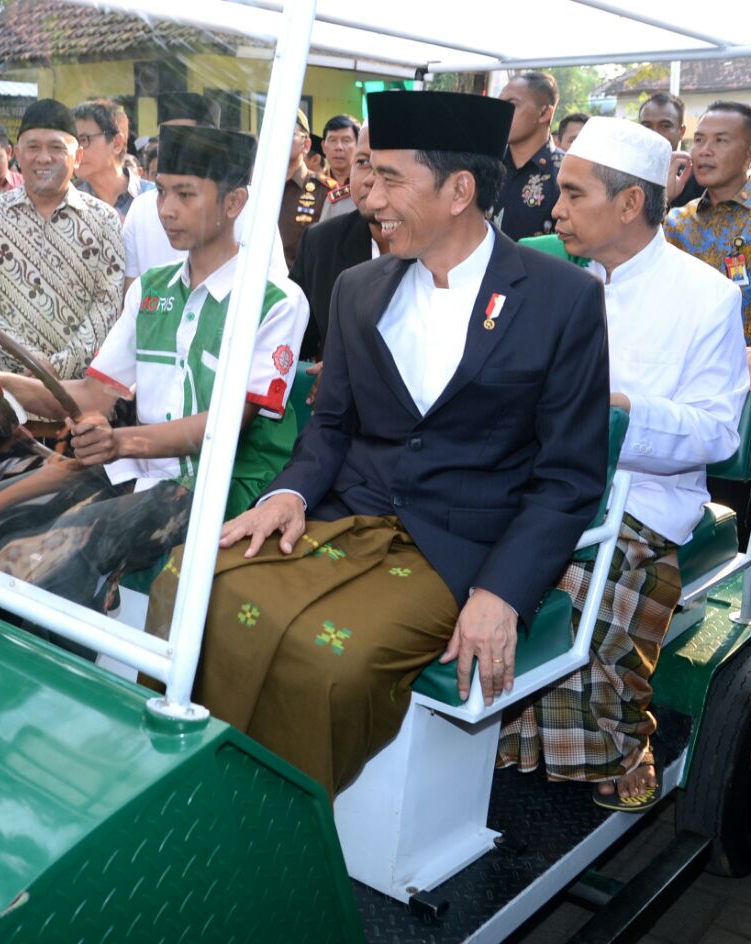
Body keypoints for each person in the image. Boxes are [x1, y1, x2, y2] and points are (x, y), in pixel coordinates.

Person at [147, 90, 609, 797]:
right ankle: (175, 792)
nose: (368, 197)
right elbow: (330, 426)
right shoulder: (360, 288)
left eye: (391, 178)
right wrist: (288, 493)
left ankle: (280, 832)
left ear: (459, 190)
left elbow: (568, 479)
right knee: (185, 580)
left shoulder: (560, 299)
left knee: (330, 663)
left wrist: (503, 593)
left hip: (461, 546)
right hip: (346, 515)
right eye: (368, 174)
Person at [0, 125, 307, 612]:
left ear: (234, 202)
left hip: (216, 483)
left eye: (186, 194)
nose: (167, 210)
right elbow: (96, 394)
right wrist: (0, 382)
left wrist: (120, 442)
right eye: (161, 193)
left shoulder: (275, 301)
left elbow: (227, 426)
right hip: (136, 466)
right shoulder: (151, 288)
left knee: (44, 557)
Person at [498, 117, 746, 811]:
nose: (556, 210)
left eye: (574, 195)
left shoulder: (706, 297)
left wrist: (616, 412)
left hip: (639, 497)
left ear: (630, 204)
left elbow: (718, 432)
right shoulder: (547, 276)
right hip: (536, 484)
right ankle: (507, 742)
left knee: (584, 582)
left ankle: (615, 744)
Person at [0, 98, 124, 382]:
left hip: (81, 398)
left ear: (78, 156)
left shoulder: (105, 221)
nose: (44, 158)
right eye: (33, 147)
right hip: (7, 394)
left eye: (57, 148)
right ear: (18, 154)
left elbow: (108, 305)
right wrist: (32, 363)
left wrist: (59, 367)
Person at [122, 93, 285, 290]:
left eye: (185, 136)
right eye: (165, 136)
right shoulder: (142, 207)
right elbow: (132, 292)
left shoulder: (251, 205)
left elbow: (271, 286)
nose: (167, 211)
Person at [666, 101, 751, 344]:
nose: (704, 150)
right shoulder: (676, 221)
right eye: (699, 140)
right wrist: (661, 200)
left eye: (720, 141)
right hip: (688, 373)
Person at [289, 126, 388, 359]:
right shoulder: (321, 244)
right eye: (363, 162)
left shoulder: (438, 252)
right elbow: (293, 340)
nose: (371, 179)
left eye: (386, 167)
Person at [494, 71, 563, 240]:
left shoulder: (565, 172)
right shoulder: (488, 163)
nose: (501, 112)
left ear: (545, 113)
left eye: (512, 105)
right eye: (499, 104)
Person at [74, 100, 153, 221]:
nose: (76, 150)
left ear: (117, 144)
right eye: (73, 142)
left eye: (84, 140)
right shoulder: (69, 204)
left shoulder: (153, 198)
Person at [277, 109, 333, 269]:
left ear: (306, 144)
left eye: (289, 132)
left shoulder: (324, 190)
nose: (281, 138)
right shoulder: (258, 188)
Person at [639, 92, 705, 208]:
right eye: (647, 126)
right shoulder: (626, 175)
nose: (655, 134)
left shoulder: (699, 178)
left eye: (665, 126)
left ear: (682, 132)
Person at [319, 115, 362, 222]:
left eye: (346, 140)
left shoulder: (367, 185)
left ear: (358, 145)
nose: (339, 147)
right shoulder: (315, 186)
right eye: (332, 140)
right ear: (324, 147)